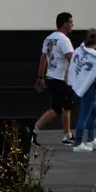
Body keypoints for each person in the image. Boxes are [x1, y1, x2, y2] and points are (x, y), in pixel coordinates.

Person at [34, 12, 76, 146]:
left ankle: (67, 134)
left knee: (64, 106)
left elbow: (43, 58)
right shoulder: (64, 40)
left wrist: (40, 77)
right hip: (60, 79)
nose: (72, 25)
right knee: (59, 108)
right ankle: (35, 129)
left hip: (51, 77)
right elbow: (72, 59)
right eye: (70, 22)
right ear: (65, 24)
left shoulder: (49, 38)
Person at [68, 30, 96, 153]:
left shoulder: (79, 51)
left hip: (79, 85)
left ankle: (91, 139)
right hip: (89, 88)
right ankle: (78, 143)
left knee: (95, 112)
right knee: (83, 116)